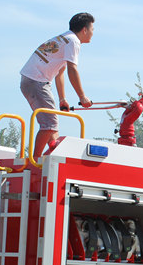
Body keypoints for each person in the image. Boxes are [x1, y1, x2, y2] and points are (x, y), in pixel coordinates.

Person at [20, 12, 94, 157]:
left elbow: (60, 72)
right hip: (37, 81)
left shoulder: (64, 39)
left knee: (53, 132)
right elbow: (72, 70)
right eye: (92, 29)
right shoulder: (73, 41)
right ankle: (35, 161)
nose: (92, 33)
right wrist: (82, 97)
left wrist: (62, 99)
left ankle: (53, 155)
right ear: (84, 30)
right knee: (50, 124)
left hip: (31, 80)